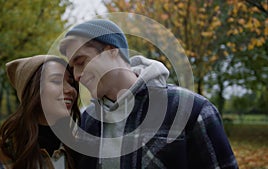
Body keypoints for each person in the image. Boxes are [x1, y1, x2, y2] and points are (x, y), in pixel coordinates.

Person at [59, 19, 238, 169]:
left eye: (81, 61)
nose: (77, 75)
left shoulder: (190, 109)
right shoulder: (85, 121)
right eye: (73, 67)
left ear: (111, 51)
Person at [0, 55, 80, 169]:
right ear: (32, 90)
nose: (70, 90)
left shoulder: (78, 151)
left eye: (71, 82)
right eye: (56, 81)